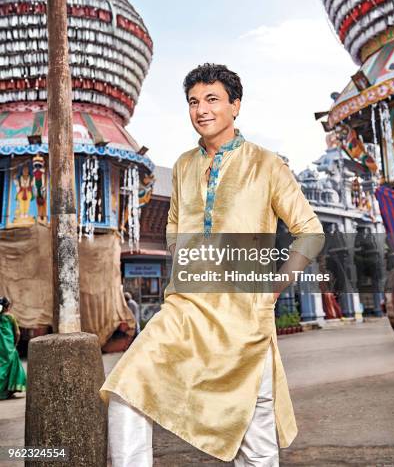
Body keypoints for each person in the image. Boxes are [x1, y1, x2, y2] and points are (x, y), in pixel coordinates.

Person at [101, 64, 325, 466]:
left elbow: (310, 231)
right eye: (193, 101)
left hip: (245, 318)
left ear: (235, 106)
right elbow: (173, 228)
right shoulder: (185, 165)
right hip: (185, 310)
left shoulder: (267, 164)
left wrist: (272, 289)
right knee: (126, 390)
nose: (201, 109)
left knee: (254, 436)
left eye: (212, 100)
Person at [0, 296, 27, 400]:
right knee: (12, 368)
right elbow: (17, 332)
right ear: (7, 307)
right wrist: (15, 343)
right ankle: (7, 391)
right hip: (9, 347)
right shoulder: (10, 317)